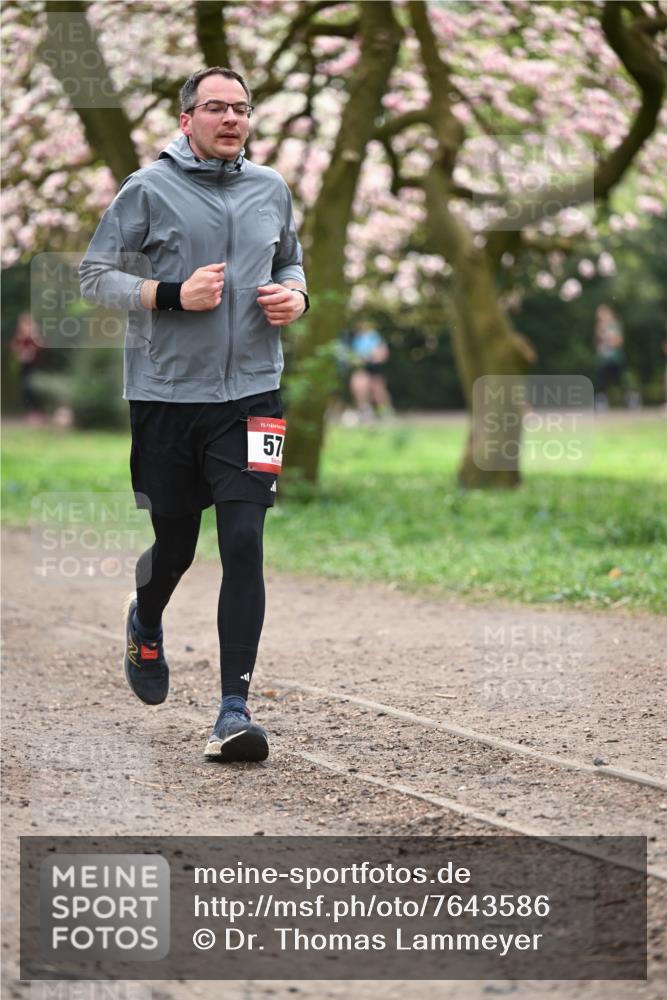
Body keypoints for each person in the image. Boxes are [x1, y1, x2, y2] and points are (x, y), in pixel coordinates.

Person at [79, 67, 308, 763]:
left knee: (244, 541)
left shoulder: (271, 188)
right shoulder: (147, 188)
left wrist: (298, 299)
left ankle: (233, 711)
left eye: (241, 108)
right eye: (215, 107)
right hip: (167, 398)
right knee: (175, 547)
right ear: (186, 120)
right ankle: (145, 617)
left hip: (254, 398)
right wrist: (170, 293)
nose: (231, 118)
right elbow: (94, 276)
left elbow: (292, 262)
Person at [344, 320, 393, 423]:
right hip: (361, 366)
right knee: (358, 386)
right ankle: (365, 410)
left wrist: (372, 357)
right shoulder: (355, 337)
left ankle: (385, 412)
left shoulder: (374, 336)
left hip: (374, 366)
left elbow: (382, 353)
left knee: (378, 390)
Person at [594, 304, 638, 409]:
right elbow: (597, 343)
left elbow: (618, 342)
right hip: (604, 360)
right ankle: (601, 402)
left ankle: (631, 399)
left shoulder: (615, 325)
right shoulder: (599, 326)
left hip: (616, 359)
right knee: (601, 381)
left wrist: (608, 339)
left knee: (622, 381)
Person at [10, 312, 46, 424]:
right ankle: (30, 412)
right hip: (24, 366)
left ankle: (37, 413)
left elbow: (41, 347)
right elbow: (14, 348)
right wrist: (22, 353)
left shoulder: (35, 336)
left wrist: (34, 337)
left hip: (35, 366)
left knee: (34, 388)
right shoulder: (20, 336)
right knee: (25, 389)